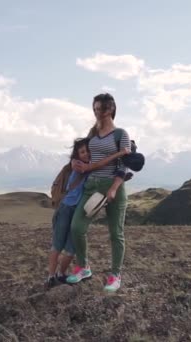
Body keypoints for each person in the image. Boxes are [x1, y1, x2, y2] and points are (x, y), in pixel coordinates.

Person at [67, 93, 131, 292]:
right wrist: (74, 161)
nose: (97, 113)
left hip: (114, 187)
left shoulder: (121, 134)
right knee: (77, 227)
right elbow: (82, 153)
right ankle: (84, 266)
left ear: (110, 109)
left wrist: (113, 188)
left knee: (115, 233)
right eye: (94, 109)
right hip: (91, 186)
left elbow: (124, 165)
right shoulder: (92, 132)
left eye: (100, 109)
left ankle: (115, 274)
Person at [45, 137, 129, 289]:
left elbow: (101, 170)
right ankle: (51, 276)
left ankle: (61, 274)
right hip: (66, 208)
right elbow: (101, 164)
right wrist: (120, 153)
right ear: (76, 155)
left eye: (88, 151)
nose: (86, 154)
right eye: (82, 152)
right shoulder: (79, 166)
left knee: (71, 248)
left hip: (77, 209)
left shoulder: (90, 167)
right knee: (57, 244)